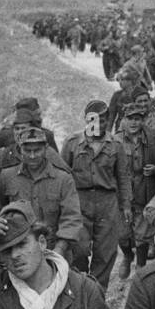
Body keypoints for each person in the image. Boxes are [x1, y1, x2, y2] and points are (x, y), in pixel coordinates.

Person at [61, 99, 132, 290]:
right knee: (79, 249)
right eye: (93, 120)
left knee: (105, 253)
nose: (98, 125)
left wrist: (125, 206)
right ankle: (81, 289)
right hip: (79, 202)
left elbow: (123, 177)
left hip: (107, 202)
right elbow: (62, 176)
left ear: (107, 120)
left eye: (102, 120)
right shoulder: (72, 143)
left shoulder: (116, 145)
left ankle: (98, 295)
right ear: (86, 120)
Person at [0, 124, 83, 264]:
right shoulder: (7, 177)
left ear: (46, 149)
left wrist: (59, 250)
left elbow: (72, 218)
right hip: (18, 249)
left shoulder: (63, 179)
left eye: (37, 150)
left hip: (54, 248)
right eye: (27, 150)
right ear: (19, 150)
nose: (32, 156)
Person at [115, 100, 155, 279]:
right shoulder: (115, 141)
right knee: (122, 233)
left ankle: (141, 265)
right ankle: (128, 255)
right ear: (124, 120)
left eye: (138, 118)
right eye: (130, 118)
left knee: (143, 234)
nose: (134, 122)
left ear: (143, 119)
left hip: (145, 190)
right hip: (123, 193)